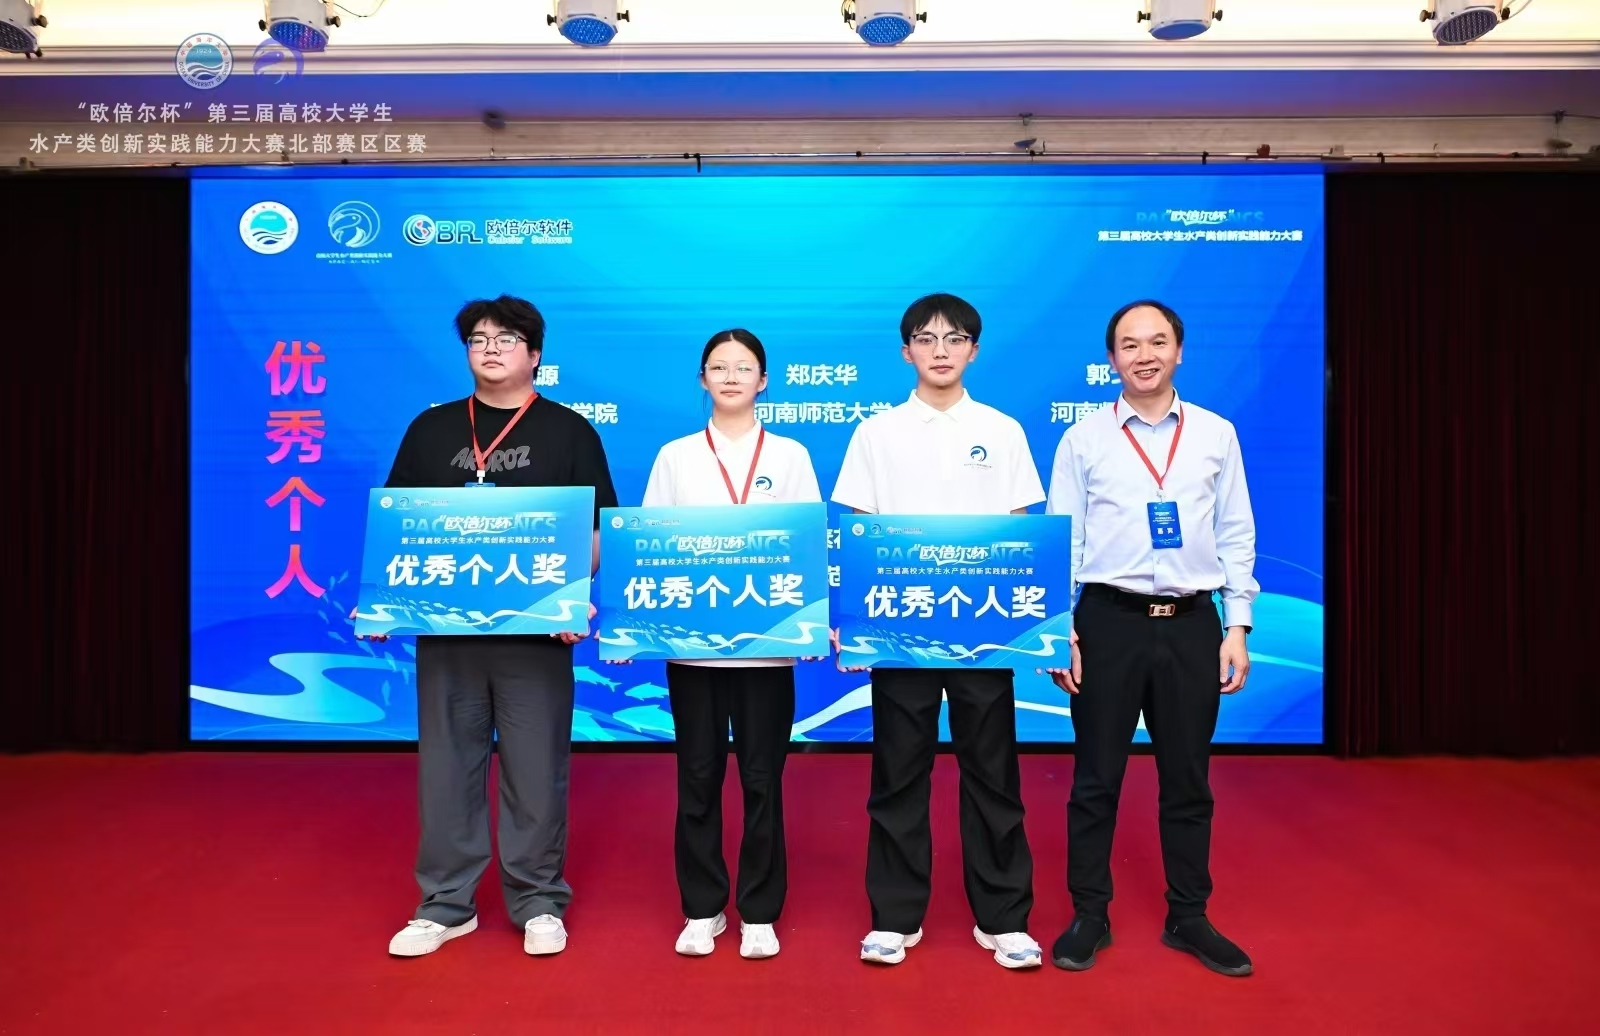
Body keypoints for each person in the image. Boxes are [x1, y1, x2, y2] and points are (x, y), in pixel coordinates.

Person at [376, 294, 618, 959]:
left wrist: (568, 597)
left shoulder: (569, 431)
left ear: (534, 354)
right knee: (447, 768)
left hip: (535, 636)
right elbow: (398, 524)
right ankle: (445, 904)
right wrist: (385, 601)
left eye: (506, 339)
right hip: (448, 633)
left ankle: (538, 900)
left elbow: (598, 530)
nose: (490, 348)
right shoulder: (431, 429)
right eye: (478, 338)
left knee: (536, 771)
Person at [831, 293, 1046, 970]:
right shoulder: (877, 432)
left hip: (985, 631)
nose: (941, 350)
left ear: (974, 351)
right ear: (907, 353)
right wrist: (855, 626)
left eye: (955, 339)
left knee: (993, 774)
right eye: (927, 339)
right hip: (900, 631)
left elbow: (1021, 530)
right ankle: (895, 917)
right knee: (899, 774)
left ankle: (1004, 918)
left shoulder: (1003, 430)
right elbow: (857, 531)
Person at [1043, 299, 1257, 977]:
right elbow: (1064, 539)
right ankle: (1090, 914)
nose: (1145, 355)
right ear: (1112, 359)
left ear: (1179, 351)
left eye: (1157, 342)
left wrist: (1237, 625)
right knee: (1095, 779)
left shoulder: (1216, 434)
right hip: (1107, 622)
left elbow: (1235, 531)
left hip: (1193, 624)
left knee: (1188, 780)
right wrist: (1060, 631)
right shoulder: (1084, 439)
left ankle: (1189, 916)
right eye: (1130, 345)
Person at [641, 329, 823, 960]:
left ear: (763, 380)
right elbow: (650, 544)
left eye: (744, 367)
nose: (730, 377)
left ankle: (760, 910)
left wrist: (811, 620)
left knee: (762, 777)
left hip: (767, 650)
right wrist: (636, 624)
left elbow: (806, 544)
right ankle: (702, 908)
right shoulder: (676, 456)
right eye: (718, 367)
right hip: (691, 650)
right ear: (702, 379)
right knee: (697, 775)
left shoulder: (791, 455)